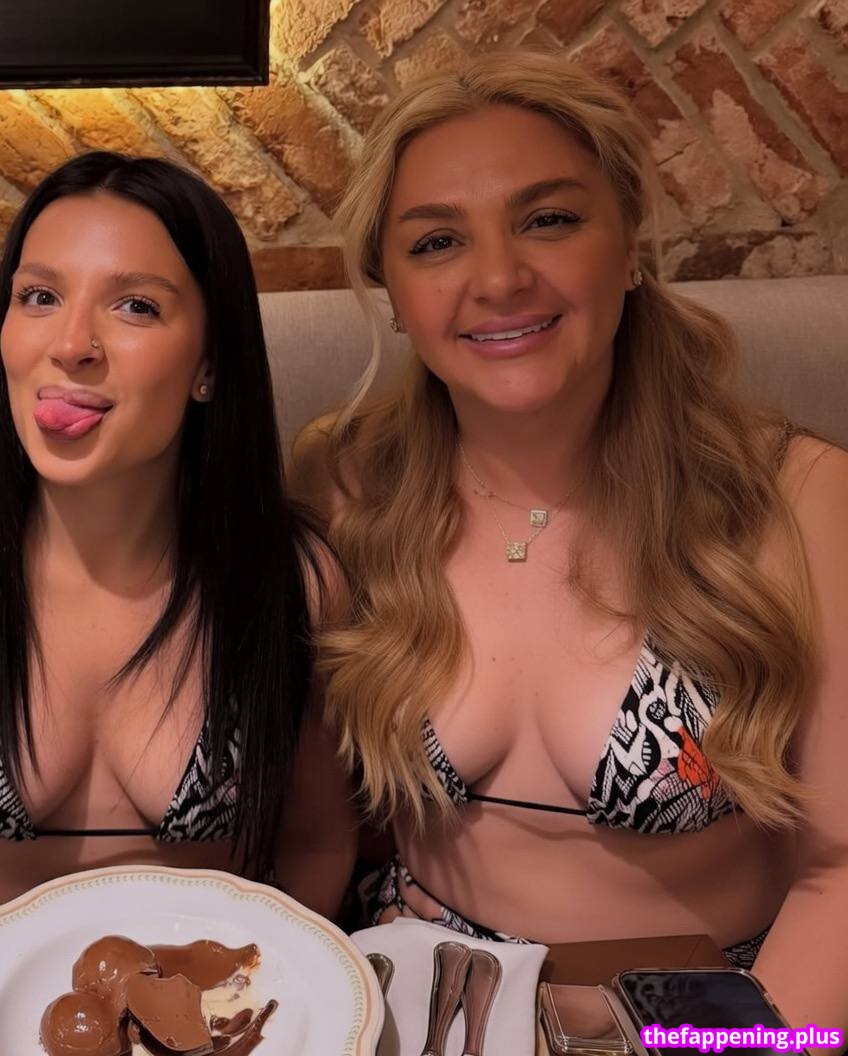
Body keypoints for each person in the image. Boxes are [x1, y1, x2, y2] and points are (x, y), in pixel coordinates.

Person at [291, 52, 848, 1031]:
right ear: (394, 293)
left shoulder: (797, 498)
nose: (499, 278)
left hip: (702, 1023)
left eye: (548, 220)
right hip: (415, 1008)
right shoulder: (345, 482)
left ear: (628, 244)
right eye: (436, 242)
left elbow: (838, 870)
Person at [0, 151, 354, 970]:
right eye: (39, 296)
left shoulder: (291, 581)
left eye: (135, 305)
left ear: (210, 363)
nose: (71, 345)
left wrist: (269, 998)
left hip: (202, 1005)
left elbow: (318, 840)